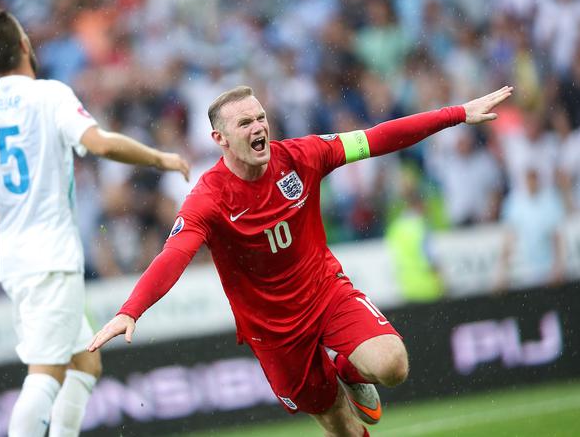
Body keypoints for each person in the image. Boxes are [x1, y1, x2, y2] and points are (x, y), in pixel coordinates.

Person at [89, 85, 512, 436]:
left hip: (325, 293)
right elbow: (174, 254)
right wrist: (132, 310)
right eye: (245, 123)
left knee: (392, 365)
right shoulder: (209, 198)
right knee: (340, 426)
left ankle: (349, 369)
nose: (258, 128)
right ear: (220, 139)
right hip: (273, 333)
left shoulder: (302, 155)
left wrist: (456, 113)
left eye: (260, 118)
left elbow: (378, 137)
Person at [0, 9, 189, 437]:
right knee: (46, 373)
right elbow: (97, 143)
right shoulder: (49, 95)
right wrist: (159, 157)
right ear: (23, 44)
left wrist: (3, 194)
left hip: (17, 259)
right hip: (50, 258)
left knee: (86, 362)